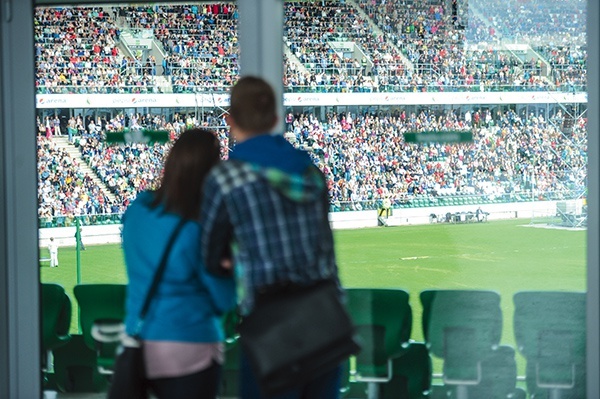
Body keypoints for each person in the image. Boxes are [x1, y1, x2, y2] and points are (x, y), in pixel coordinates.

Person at [201, 76, 343, 399]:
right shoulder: (311, 173)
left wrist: (232, 260)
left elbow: (209, 256)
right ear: (276, 119)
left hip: (271, 325)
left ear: (230, 120)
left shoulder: (225, 178)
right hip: (325, 317)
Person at [121, 128, 236, 399]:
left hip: (142, 340)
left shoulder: (136, 211)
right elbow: (224, 300)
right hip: (190, 345)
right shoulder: (199, 228)